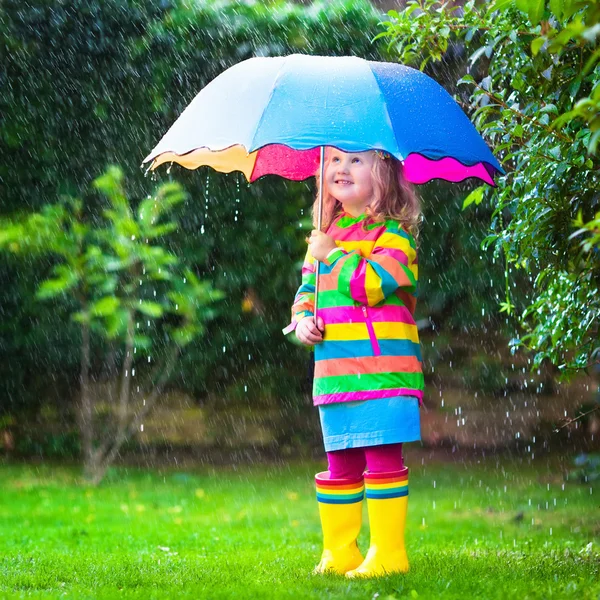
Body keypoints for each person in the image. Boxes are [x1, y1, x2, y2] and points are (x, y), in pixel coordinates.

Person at [283, 147, 424, 578]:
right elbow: (308, 292)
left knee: (381, 460)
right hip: (335, 374)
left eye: (356, 160)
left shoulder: (395, 236)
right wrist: (302, 319)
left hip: (384, 373)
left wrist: (332, 254)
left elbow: (372, 285)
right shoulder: (324, 236)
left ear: (384, 174)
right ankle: (340, 550)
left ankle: (388, 553)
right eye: (334, 160)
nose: (340, 168)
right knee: (340, 464)